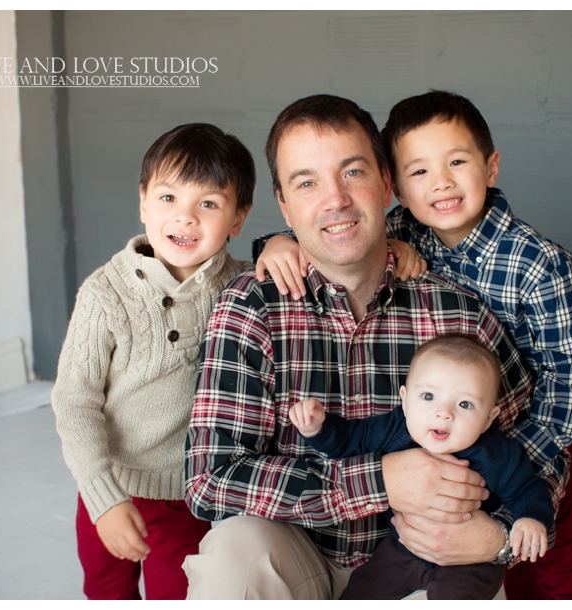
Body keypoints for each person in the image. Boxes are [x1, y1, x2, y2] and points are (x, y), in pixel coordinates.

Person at [183, 94, 537, 600]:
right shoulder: (252, 306)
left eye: (352, 173)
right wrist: (381, 480)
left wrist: (500, 535)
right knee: (232, 553)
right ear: (284, 205)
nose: (335, 200)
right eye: (307, 182)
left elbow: (534, 446)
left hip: (423, 560)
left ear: (386, 183)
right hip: (295, 555)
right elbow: (212, 480)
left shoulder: (457, 312)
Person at [257, 89, 572, 599]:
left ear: (491, 168)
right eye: (419, 172)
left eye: (457, 162)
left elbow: (569, 385)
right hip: (452, 414)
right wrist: (274, 243)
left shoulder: (540, 264)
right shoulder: (400, 228)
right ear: (393, 187)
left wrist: (498, 461)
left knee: (552, 556)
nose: (441, 182)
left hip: (545, 426)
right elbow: (326, 229)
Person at [51, 123, 255, 599]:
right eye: (168, 198)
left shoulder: (245, 286)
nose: (185, 218)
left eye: (208, 204)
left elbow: (307, 258)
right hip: (113, 485)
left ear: (237, 220)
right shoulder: (106, 294)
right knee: (108, 592)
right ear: (143, 201)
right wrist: (103, 498)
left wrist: (281, 245)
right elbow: (74, 403)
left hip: (193, 492)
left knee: (179, 594)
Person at [289, 334, 553, 599]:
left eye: (465, 404)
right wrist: (318, 428)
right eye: (428, 396)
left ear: (488, 419)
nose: (444, 412)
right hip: (403, 547)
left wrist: (530, 518)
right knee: (363, 589)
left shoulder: (497, 453)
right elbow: (349, 439)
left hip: (470, 559)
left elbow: (528, 489)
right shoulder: (395, 428)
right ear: (404, 400)